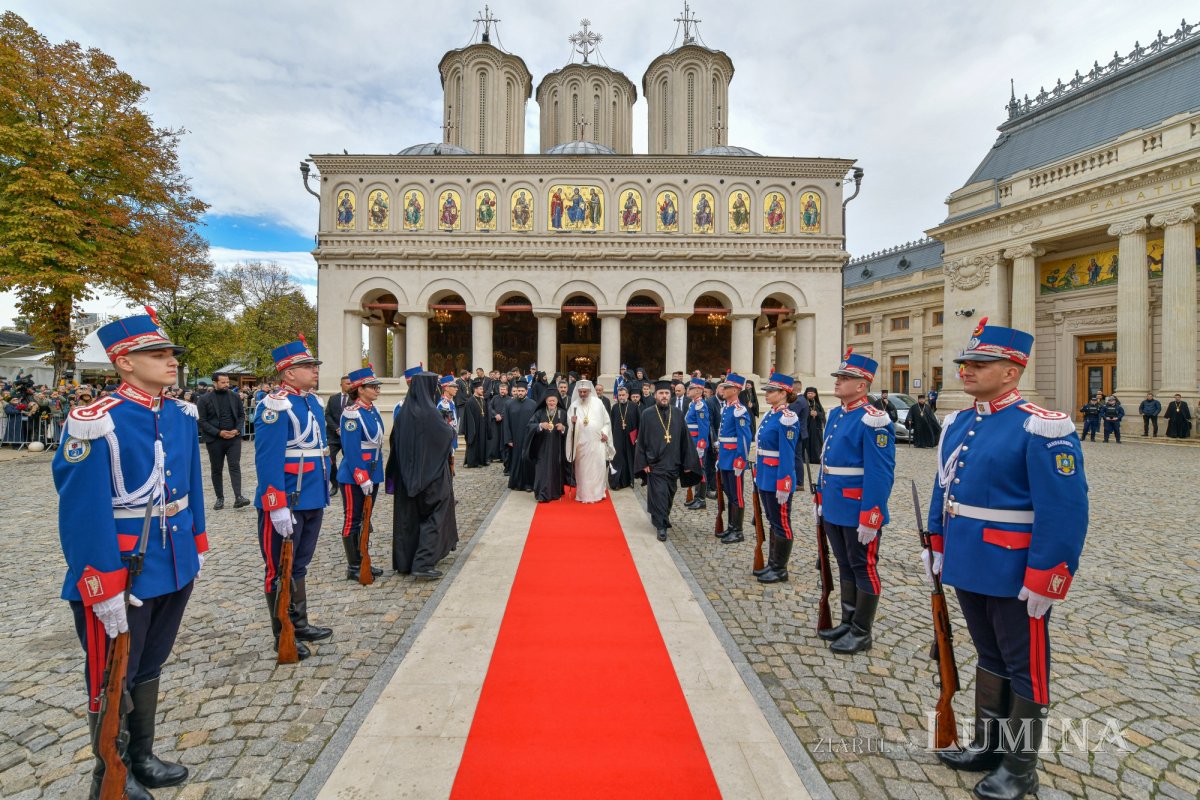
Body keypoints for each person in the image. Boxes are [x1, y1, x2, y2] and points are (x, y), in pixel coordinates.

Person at [925, 319, 1087, 799]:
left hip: (1015, 570)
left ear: (1012, 371)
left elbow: (1064, 510)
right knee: (988, 654)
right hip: (968, 560)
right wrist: (937, 544)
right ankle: (987, 746)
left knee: (1026, 667)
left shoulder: (1041, 426)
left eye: (980, 363)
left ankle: (1020, 768)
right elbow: (943, 489)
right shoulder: (959, 422)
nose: (967, 370)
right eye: (966, 363)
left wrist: (1048, 575)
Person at [55, 310, 203, 799]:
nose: (171, 361)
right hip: (122, 569)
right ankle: (110, 774)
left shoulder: (179, 415)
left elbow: (191, 485)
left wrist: (196, 542)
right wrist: (101, 583)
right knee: (112, 673)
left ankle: (141, 756)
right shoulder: (95, 422)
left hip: (172, 561)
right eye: (157, 354)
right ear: (124, 362)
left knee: (149, 663)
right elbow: (83, 511)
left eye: (171, 354)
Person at [253, 336, 334, 662]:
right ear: (288, 372)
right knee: (279, 568)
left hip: (312, 496)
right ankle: (282, 633)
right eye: (308, 366)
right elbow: (267, 460)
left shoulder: (312, 402)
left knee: (299, 564)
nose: (315, 370)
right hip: (288, 499)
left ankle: (299, 623)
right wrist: (277, 504)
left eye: (314, 365)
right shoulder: (274, 405)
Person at [816, 347, 895, 655]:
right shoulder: (837, 414)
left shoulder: (874, 420)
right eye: (838, 376)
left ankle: (862, 631)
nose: (837, 381)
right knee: (844, 564)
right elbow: (826, 461)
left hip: (857, 506)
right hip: (835, 504)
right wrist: (821, 497)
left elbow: (880, 473)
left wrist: (871, 515)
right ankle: (848, 621)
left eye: (845, 377)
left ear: (862, 385)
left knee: (864, 566)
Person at [392, 372, 457, 579]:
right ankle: (423, 561)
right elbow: (446, 435)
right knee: (435, 515)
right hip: (431, 476)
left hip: (407, 475)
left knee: (409, 519)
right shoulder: (430, 413)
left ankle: (406, 561)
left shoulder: (404, 412)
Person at [634, 380, 703, 541]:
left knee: (669, 493)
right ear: (655, 395)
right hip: (655, 463)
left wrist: (688, 462)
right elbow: (641, 439)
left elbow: (685, 440)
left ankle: (663, 516)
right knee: (659, 493)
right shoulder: (647, 414)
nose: (664, 396)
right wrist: (643, 462)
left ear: (670, 395)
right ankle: (661, 526)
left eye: (666, 393)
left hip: (673, 462)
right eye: (661, 393)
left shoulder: (677, 414)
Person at [336, 366, 385, 581]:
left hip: (372, 471)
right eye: (372, 387)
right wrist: (362, 477)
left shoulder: (372, 410)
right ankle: (354, 565)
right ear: (360, 389)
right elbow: (351, 449)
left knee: (366, 519)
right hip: (354, 475)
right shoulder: (352, 413)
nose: (377, 390)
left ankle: (364, 559)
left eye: (377, 386)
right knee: (352, 519)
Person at [754, 373, 801, 583]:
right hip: (766, 474)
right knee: (773, 521)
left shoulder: (787, 418)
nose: (767, 394)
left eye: (771, 391)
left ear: (783, 393)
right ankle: (772, 563)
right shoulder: (770, 415)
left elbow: (788, 454)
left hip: (777, 477)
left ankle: (780, 568)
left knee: (782, 522)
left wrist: (785, 482)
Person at [197, 372, 249, 509]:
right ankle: (219, 498)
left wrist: (237, 430)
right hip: (215, 439)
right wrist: (219, 433)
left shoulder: (235, 396)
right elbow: (202, 421)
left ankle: (238, 497)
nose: (226, 385)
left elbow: (241, 415)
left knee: (235, 466)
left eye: (227, 382)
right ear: (214, 383)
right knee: (216, 469)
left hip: (233, 438)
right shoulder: (204, 399)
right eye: (223, 382)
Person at [715, 373, 753, 544]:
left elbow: (744, 438)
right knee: (729, 493)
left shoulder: (739, 410)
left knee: (737, 495)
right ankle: (731, 526)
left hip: (734, 459)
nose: (723, 389)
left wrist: (741, 459)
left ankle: (738, 531)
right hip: (725, 456)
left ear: (736, 390)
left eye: (727, 387)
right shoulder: (727, 408)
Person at [565, 379, 614, 503]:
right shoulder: (574, 405)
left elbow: (607, 422)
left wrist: (605, 433)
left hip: (597, 442)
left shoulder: (598, 403)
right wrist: (572, 422)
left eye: (585, 392)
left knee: (598, 469)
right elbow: (570, 424)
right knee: (583, 471)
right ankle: (584, 495)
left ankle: (598, 493)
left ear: (590, 391)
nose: (582, 394)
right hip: (581, 444)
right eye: (580, 392)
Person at [526, 392, 568, 502]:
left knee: (555, 469)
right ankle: (542, 494)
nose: (551, 403)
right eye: (549, 401)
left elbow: (570, 429)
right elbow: (530, 425)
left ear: (557, 402)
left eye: (553, 401)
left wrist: (563, 428)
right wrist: (540, 425)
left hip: (557, 447)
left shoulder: (563, 413)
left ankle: (554, 492)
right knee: (542, 469)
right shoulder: (539, 413)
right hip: (542, 447)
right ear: (546, 402)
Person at [683, 377, 712, 510]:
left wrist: (701, 445)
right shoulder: (693, 404)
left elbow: (704, 427)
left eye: (691, 388)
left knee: (700, 470)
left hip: (697, 443)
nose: (688, 390)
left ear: (698, 391)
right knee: (695, 469)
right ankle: (696, 497)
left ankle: (701, 499)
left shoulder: (700, 405)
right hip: (691, 442)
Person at [504, 383, 538, 489]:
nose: (520, 393)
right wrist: (508, 439)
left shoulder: (533, 404)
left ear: (526, 391)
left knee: (528, 460)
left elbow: (536, 421)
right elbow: (506, 423)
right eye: (518, 391)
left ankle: (528, 484)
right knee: (516, 460)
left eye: (522, 391)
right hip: (515, 438)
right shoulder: (510, 404)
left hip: (529, 437)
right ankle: (516, 483)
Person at [608, 386, 640, 490]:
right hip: (617, 437)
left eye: (623, 395)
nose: (621, 397)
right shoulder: (614, 407)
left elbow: (639, 422)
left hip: (630, 437)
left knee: (629, 458)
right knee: (618, 459)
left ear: (627, 395)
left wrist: (638, 437)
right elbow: (611, 423)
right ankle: (617, 482)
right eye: (619, 395)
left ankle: (630, 480)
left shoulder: (634, 406)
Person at [324, 376, 353, 490]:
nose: (350, 385)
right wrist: (337, 429)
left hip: (349, 436)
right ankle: (335, 484)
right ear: (341, 385)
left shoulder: (355, 400)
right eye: (347, 383)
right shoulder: (333, 398)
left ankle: (348, 483)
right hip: (333, 436)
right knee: (329, 459)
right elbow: (327, 415)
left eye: (351, 383)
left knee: (350, 460)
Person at [461, 379, 490, 468]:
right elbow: (468, 418)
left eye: (482, 389)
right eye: (481, 389)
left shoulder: (483, 400)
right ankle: (473, 462)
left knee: (482, 443)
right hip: (474, 428)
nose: (482, 390)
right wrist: (472, 430)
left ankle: (482, 460)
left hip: (483, 427)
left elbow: (486, 414)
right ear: (475, 389)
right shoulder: (470, 402)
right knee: (475, 443)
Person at [487, 381, 509, 465]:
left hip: (504, 422)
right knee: (494, 440)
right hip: (495, 422)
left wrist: (501, 416)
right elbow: (490, 407)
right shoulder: (494, 398)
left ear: (507, 390)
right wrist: (495, 415)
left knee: (503, 439)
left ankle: (502, 457)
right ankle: (492, 456)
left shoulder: (509, 399)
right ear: (499, 390)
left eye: (504, 389)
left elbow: (508, 409)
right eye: (501, 389)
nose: (502, 391)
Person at [803, 387, 826, 464]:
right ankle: (806, 459)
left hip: (816, 429)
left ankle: (816, 459)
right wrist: (808, 414)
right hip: (807, 427)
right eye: (808, 393)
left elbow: (822, 415)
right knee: (806, 444)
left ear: (815, 394)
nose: (810, 395)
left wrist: (817, 414)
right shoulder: (804, 403)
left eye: (811, 393)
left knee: (816, 444)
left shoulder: (818, 404)